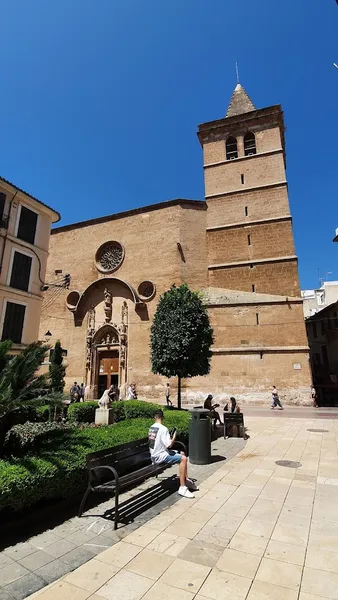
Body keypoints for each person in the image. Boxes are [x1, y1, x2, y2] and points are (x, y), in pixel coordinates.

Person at [148, 409, 197, 498]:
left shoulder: (151, 428)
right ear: (163, 417)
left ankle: (186, 480)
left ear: (154, 417)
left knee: (181, 454)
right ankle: (182, 488)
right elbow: (169, 445)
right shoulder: (163, 429)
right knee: (184, 459)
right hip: (160, 456)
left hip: (154, 456)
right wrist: (174, 437)